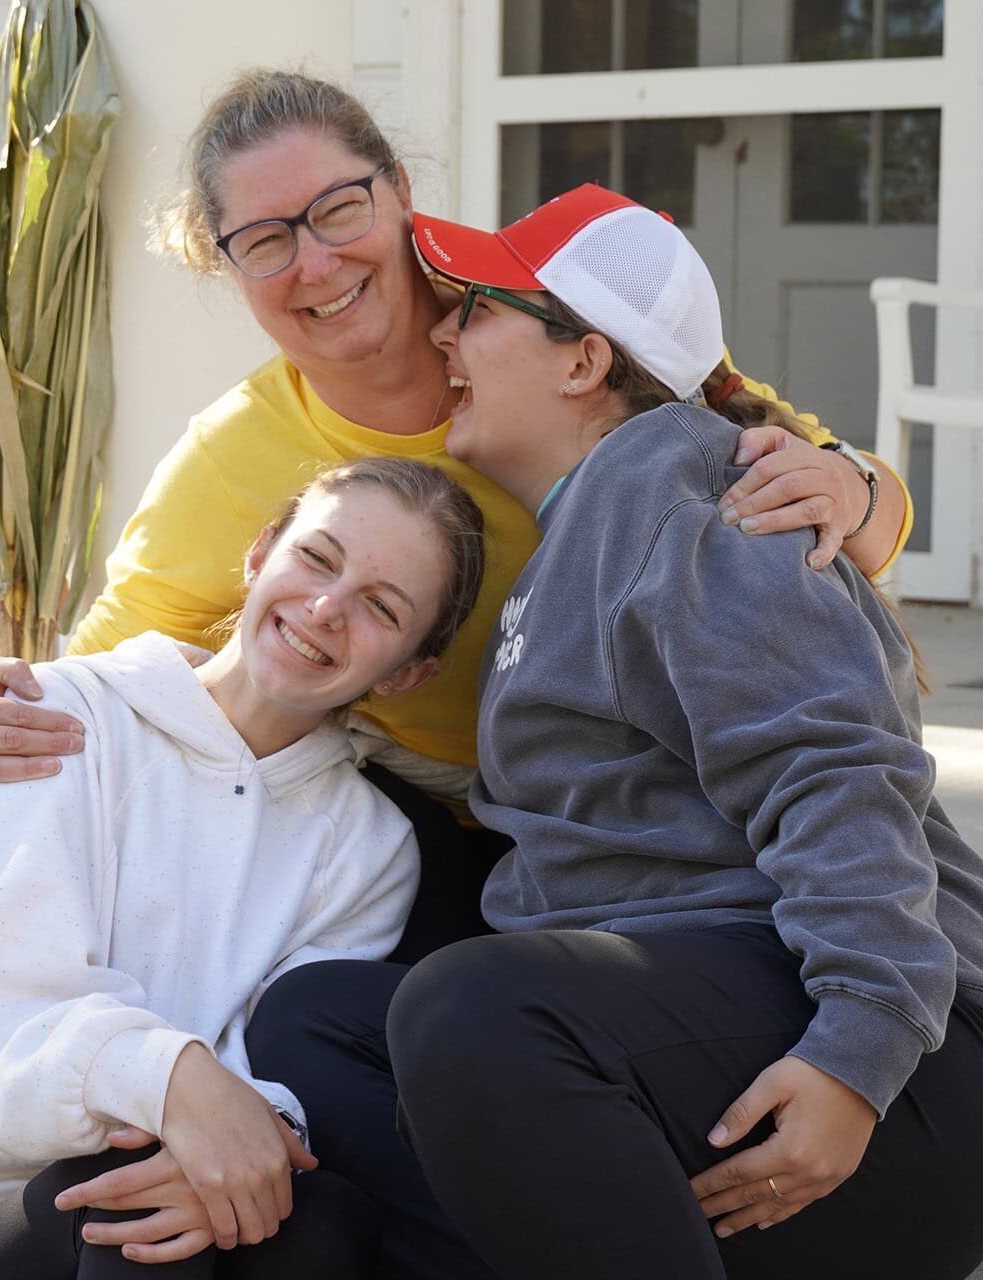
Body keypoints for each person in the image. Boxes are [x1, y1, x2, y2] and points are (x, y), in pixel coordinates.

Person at [0, 69, 914, 968]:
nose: (315, 263)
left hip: (665, 813)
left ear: (398, 190)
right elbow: (92, 679)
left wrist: (854, 490)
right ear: (226, 266)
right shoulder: (231, 454)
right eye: (265, 241)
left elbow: (797, 474)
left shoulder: (539, 321)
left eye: (337, 210)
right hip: (441, 822)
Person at [349, 186, 983, 1279]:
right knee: (317, 1019)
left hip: (892, 1066)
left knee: (469, 1008)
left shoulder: (677, 486)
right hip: (710, 1024)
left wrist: (859, 1047)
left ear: (583, 361)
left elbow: (831, 764)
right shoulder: (577, 532)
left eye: (478, 310)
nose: (443, 335)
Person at [0, 458, 487, 1280]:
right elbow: (4, 1024)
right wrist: (171, 1081)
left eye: (382, 608)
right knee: (138, 1216)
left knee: (321, 1223)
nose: (327, 608)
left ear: (408, 672)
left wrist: (231, 1137)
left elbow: (283, 1069)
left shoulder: (370, 845)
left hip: (197, 1184)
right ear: (260, 553)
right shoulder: (60, 722)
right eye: (317, 558)